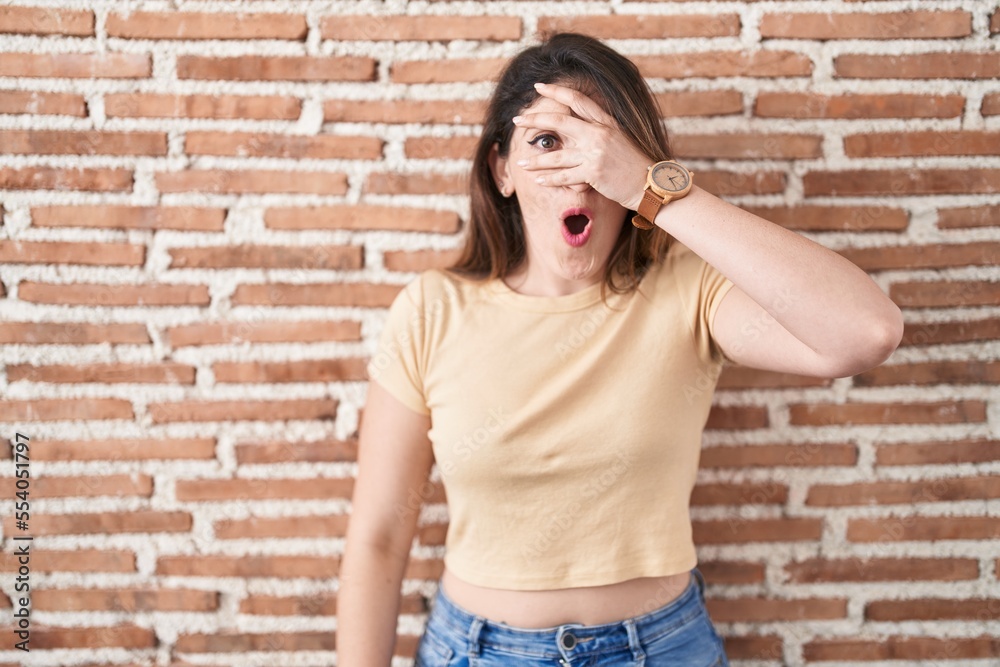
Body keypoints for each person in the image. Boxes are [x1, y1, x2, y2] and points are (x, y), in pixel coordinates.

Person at [338, 32, 903, 667]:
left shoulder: (688, 288)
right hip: (476, 650)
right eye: (548, 142)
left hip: (661, 647)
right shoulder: (431, 310)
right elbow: (380, 539)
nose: (578, 174)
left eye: (599, 145)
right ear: (501, 169)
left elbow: (866, 333)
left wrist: (651, 188)